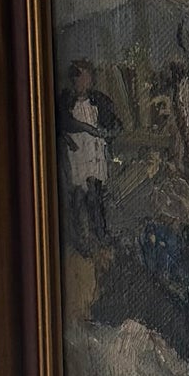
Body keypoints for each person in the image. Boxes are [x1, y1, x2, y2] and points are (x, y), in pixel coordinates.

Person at [61, 61, 120, 247]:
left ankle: (100, 234)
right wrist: (85, 130)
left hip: (94, 151)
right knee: (79, 195)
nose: (87, 81)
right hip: (78, 152)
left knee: (95, 192)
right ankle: (81, 238)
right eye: (83, 77)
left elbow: (114, 123)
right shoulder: (66, 100)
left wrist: (109, 131)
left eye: (89, 77)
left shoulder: (98, 99)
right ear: (75, 79)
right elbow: (63, 124)